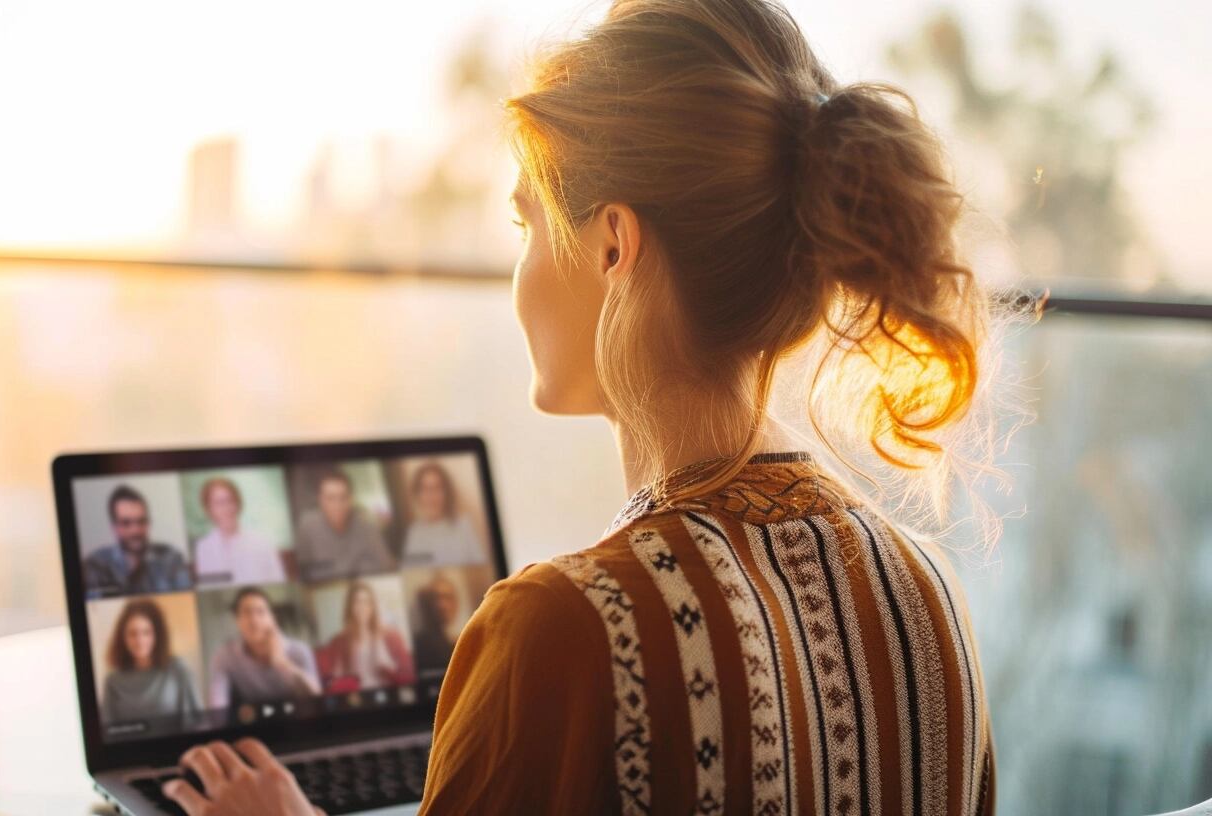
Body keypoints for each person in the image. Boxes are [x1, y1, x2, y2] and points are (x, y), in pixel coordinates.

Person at [163, 0, 1002, 813]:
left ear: (612, 246)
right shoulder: (929, 593)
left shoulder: (561, 635)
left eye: (525, 223)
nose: (519, 273)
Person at [208, 587, 321, 709]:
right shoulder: (225, 656)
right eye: (246, 612)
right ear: (237, 620)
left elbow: (316, 696)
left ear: (273, 618)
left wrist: (283, 663)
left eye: (261, 612)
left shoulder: (300, 650)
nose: (254, 620)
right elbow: (218, 703)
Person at [100, 599, 201, 725]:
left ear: (157, 635)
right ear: (122, 638)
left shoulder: (179, 670)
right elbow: (108, 729)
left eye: (146, 632)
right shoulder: (112, 681)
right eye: (132, 634)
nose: (139, 640)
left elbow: (196, 721)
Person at [82, 485, 192, 597]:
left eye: (141, 521)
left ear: (148, 523)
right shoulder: (96, 565)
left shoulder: (172, 558)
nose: (135, 530)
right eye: (126, 523)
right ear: (114, 527)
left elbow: (186, 596)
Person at [292, 468, 395, 581]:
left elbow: (386, 568)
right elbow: (303, 572)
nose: (338, 505)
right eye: (330, 498)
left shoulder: (367, 525)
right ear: (320, 500)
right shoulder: (307, 526)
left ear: (351, 499)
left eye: (343, 497)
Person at [315, 581, 416, 692]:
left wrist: (390, 668)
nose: (362, 607)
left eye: (367, 602)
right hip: (356, 699)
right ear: (350, 607)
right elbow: (332, 681)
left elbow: (409, 676)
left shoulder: (392, 636)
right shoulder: (339, 641)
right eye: (357, 602)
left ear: (373, 606)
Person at [191, 477, 288, 586]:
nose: (226, 508)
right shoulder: (203, 547)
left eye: (230, 501)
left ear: (237, 503)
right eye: (219, 503)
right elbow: (207, 586)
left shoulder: (263, 542)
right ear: (209, 509)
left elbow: (278, 581)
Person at [400, 461, 484, 568]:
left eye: (437, 488)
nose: (431, 496)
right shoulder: (414, 532)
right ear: (418, 494)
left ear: (446, 492)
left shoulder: (463, 525)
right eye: (425, 489)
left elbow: (480, 568)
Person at [410, 572, 463, 675]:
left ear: (456, 602)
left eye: (448, 597)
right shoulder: (422, 643)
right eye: (436, 598)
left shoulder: (460, 638)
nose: (442, 605)